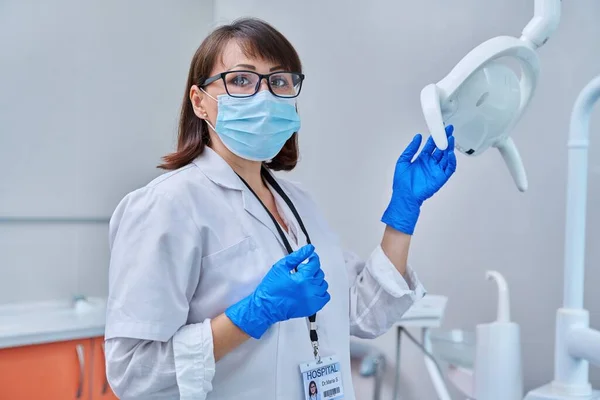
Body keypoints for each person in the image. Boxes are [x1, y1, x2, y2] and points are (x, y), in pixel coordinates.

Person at [104, 17, 456, 400]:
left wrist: (402, 213)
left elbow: (359, 313)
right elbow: (131, 372)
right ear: (200, 102)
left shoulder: (297, 202)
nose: (265, 95)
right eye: (241, 79)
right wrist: (254, 313)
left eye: (279, 81)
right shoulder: (167, 205)